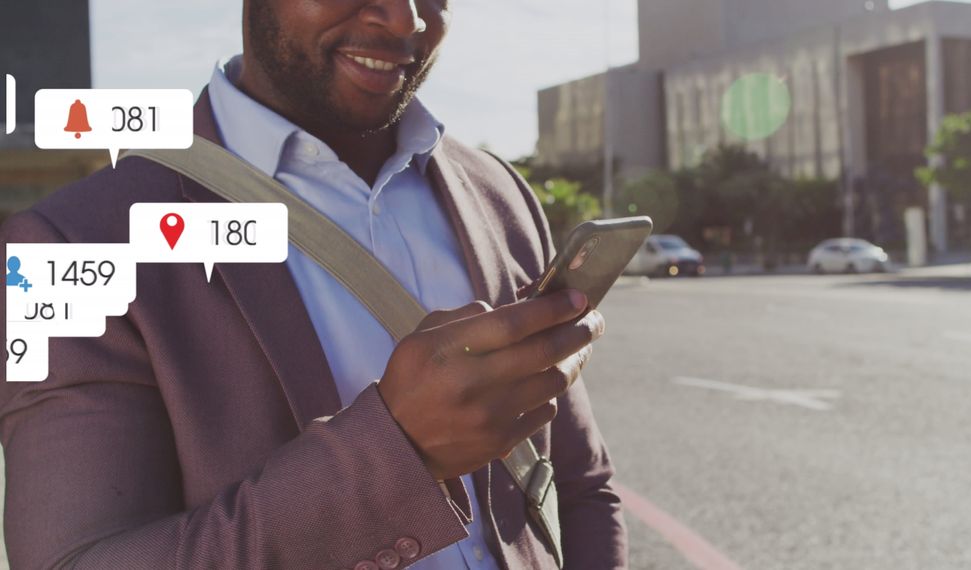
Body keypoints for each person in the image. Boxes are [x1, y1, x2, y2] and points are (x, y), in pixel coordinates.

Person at [0, 1, 627, 568]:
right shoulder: (71, 241)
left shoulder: (498, 194)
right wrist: (396, 451)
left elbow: (578, 482)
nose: (406, 19)